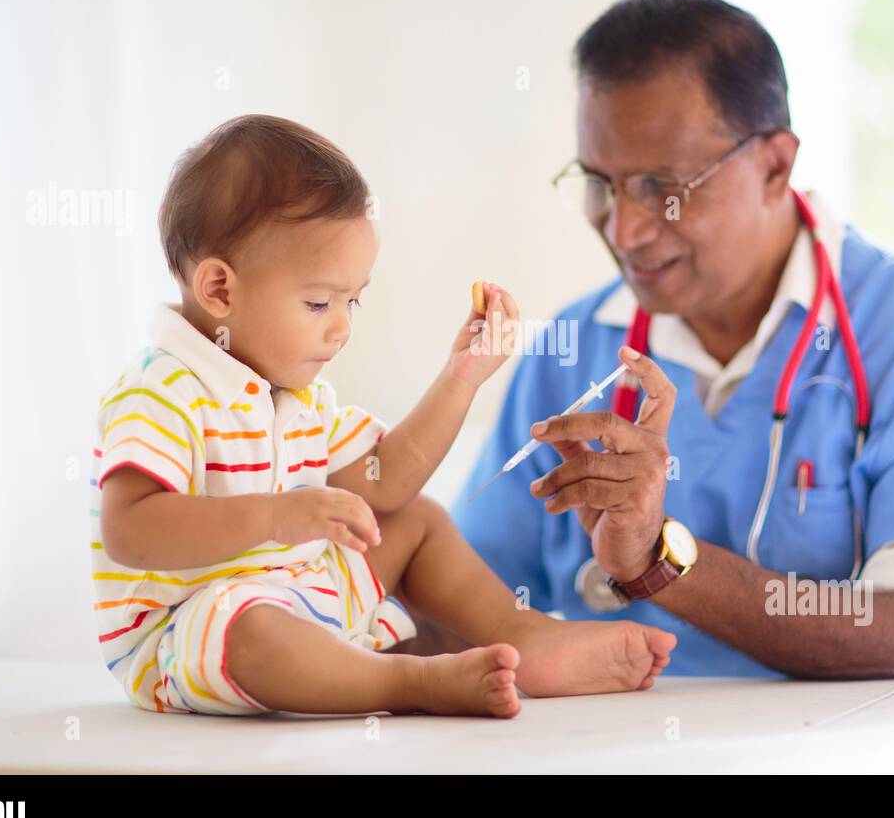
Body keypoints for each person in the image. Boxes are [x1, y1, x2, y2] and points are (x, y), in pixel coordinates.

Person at [450, 0, 894, 680]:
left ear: (775, 166)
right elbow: (463, 596)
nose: (623, 229)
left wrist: (658, 561)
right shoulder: (572, 351)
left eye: (662, 187)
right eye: (599, 183)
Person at [89, 114, 675, 719]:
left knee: (415, 519)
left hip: (297, 596)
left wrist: (460, 379)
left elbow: (386, 480)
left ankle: (523, 634)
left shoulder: (297, 395)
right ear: (218, 290)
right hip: (190, 634)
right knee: (252, 629)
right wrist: (275, 515)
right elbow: (130, 531)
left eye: (353, 301)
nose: (342, 328)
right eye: (318, 302)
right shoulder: (162, 390)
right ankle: (408, 682)